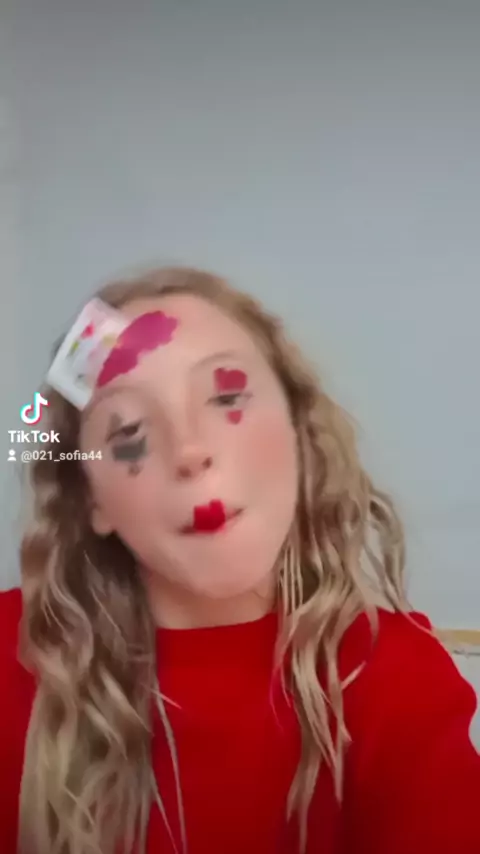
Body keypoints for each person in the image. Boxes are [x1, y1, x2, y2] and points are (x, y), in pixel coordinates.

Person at [0, 266, 479, 854]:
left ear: (299, 432)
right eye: (128, 431)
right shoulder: (13, 656)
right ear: (92, 499)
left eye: (227, 396)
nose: (190, 451)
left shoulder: (395, 677)